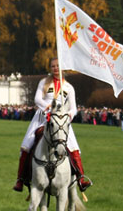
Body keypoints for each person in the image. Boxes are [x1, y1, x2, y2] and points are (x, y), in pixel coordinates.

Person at [13, 57, 92, 192]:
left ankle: (81, 179)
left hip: (61, 121)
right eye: (53, 66)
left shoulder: (69, 87)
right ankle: (21, 179)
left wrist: (68, 116)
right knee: (27, 145)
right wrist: (48, 107)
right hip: (42, 118)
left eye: (58, 66)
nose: (55, 69)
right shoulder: (43, 82)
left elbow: (73, 108)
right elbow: (37, 99)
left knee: (74, 148)